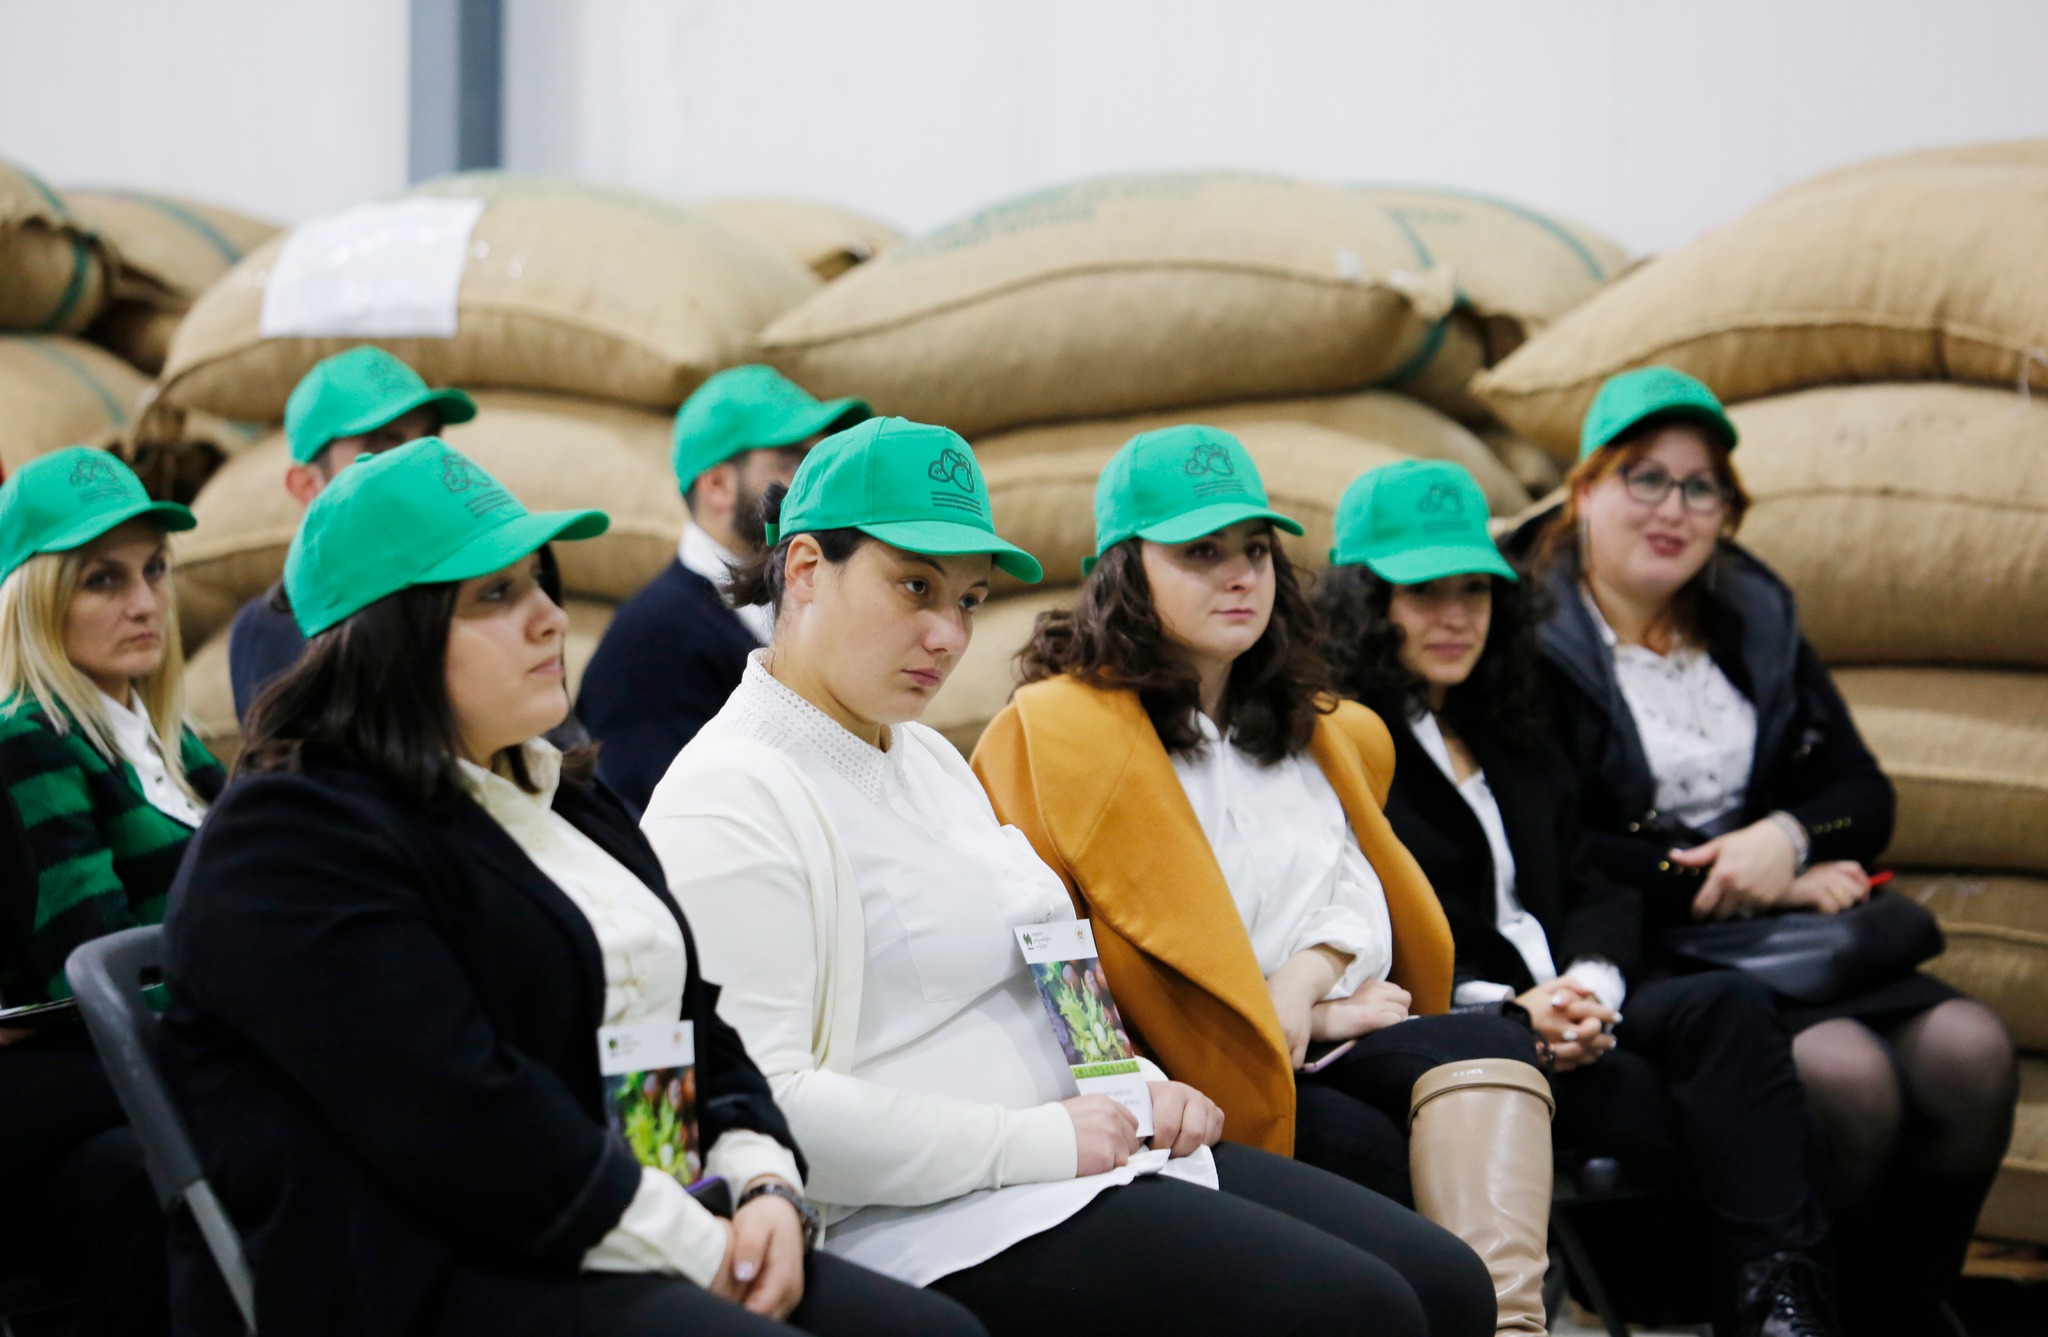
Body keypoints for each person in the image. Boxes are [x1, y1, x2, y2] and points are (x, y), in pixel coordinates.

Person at [642, 417, 1496, 1337]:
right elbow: (767, 1104)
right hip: (934, 1216)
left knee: (1450, 1282)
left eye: (969, 599)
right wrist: (1042, 1136)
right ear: (807, 569)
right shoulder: (730, 796)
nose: (947, 634)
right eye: (915, 586)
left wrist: (1134, 1080)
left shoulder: (925, 756)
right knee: (1360, 1311)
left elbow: (1047, 954)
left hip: (1089, 1154)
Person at [161, 438, 976, 1337]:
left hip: (636, 1227)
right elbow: (457, 1117)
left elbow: (699, 1024)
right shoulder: (288, 841)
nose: (551, 617)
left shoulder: (566, 797)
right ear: (388, 634)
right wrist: (698, 1242)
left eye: (540, 583)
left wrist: (764, 1183)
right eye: (496, 595)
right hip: (444, 1275)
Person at [973, 425, 1556, 1337]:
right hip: (1182, 1076)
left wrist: (1302, 985)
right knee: (1375, 1151)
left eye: (1254, 550)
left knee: (1492, 1046)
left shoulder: (1311, 728)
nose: (1240, 575)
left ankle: (1517, 1330)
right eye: (1201, 552)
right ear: (1127, 569)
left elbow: (1356, 893)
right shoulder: (1051, 734)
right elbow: (1046, 953)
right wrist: (1297, 1014)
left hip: (1316, 1038)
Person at [1503, 367, 2017, 1337]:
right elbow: (1554, 843)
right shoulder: (1523, 632)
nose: (1674, 508)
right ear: (1584, 489)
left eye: (1702, 488)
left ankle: (1901, 1312)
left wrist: (1784, 839)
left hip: (1786, 943)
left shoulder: (1748, 611)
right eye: (1645, 477)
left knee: (1971, 1049)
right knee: (1849, 1077)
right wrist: (1726, 878)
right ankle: (1803, 1313)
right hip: (1649, 947)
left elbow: (1861, 794)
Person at [1315, 457, 1837, 1337]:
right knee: (1759, 1133)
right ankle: (1737, 1304)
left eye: (1475, 590)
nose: (1456, 615)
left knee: (1729, 1009)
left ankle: (1780, 1307)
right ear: (1366, 602)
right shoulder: (1342, 741)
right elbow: (1368, 922)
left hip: (1576, 994)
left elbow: (1592, 872)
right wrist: (1509, 1006)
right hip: (1465, 1021)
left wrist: (1592, 984)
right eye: (1424, 592)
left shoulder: (1506, 718)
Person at [0, 446, 218, 1337]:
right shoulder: (27, 740)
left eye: (154, 570)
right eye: (104, 579)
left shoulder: (173, 740)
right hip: (75, 1089)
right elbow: (95, 965)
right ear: (39, 600)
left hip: (166, 1063)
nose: (144, 601)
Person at [580, 366, 870, 812]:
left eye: (819, 461)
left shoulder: (808, 605)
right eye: (792, 462)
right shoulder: (654, 641)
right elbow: (668, 824)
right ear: (717, 485)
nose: (816, 483)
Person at [226, 345, 475, 718]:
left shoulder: (480, 586)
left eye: (427, 445)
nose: (418, 469)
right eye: (382, 452)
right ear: (308, 486)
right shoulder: (272, 630)